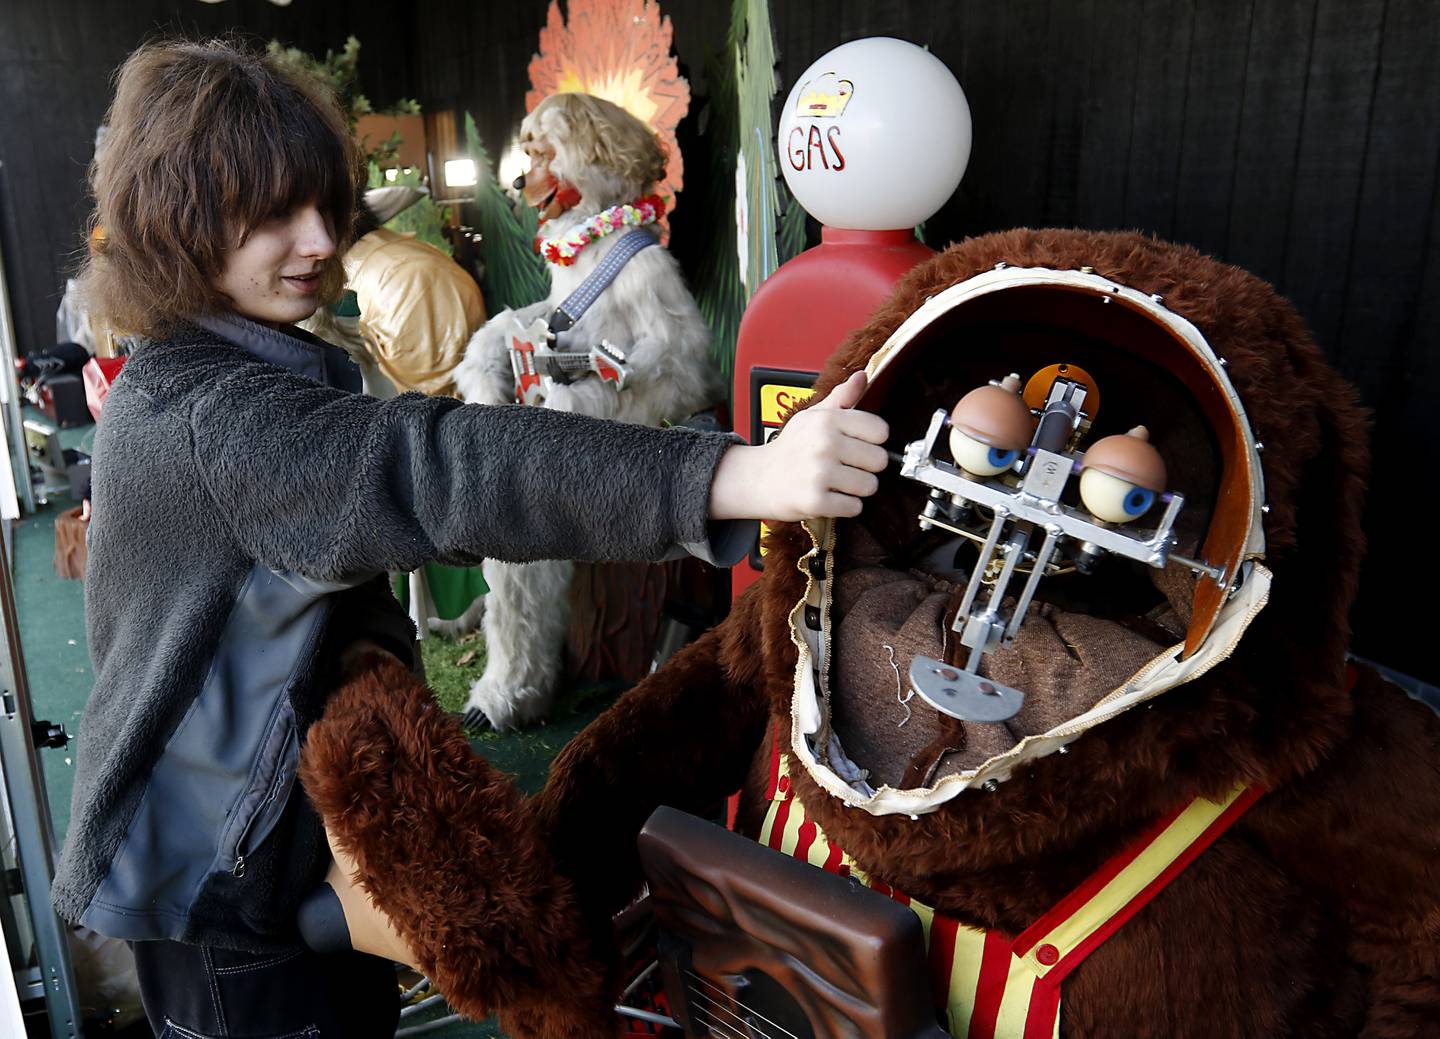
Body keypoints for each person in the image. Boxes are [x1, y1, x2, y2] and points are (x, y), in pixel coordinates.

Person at [48, 39, 890, 1039]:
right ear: (176, 218)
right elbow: (430, 469)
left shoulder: (192, 371)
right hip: (225, 890)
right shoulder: (220, 415)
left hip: (250, 853)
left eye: (326, 204)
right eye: (272, 213)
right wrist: (740, 473)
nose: (320, 240)